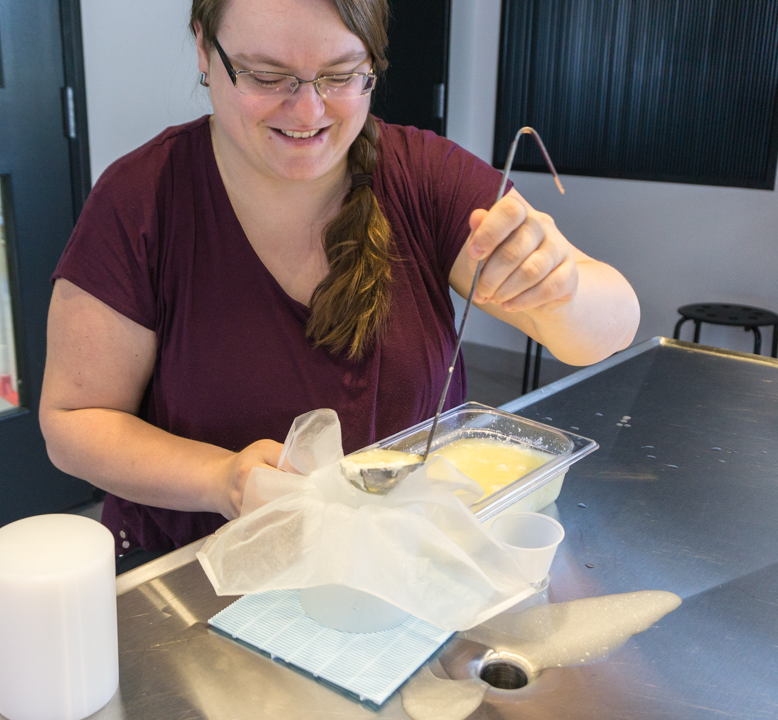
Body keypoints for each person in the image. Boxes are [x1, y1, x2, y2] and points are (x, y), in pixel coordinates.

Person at [40, 0, 639, 559]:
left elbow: (605, 330)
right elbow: (73, 422)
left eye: (341, 74)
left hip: (399, 573)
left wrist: (561, 290)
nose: (308, 112)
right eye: (267, 75)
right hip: (198, 584)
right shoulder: (142, 200)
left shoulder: (425, 177)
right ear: (204, 48)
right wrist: (221, 481)